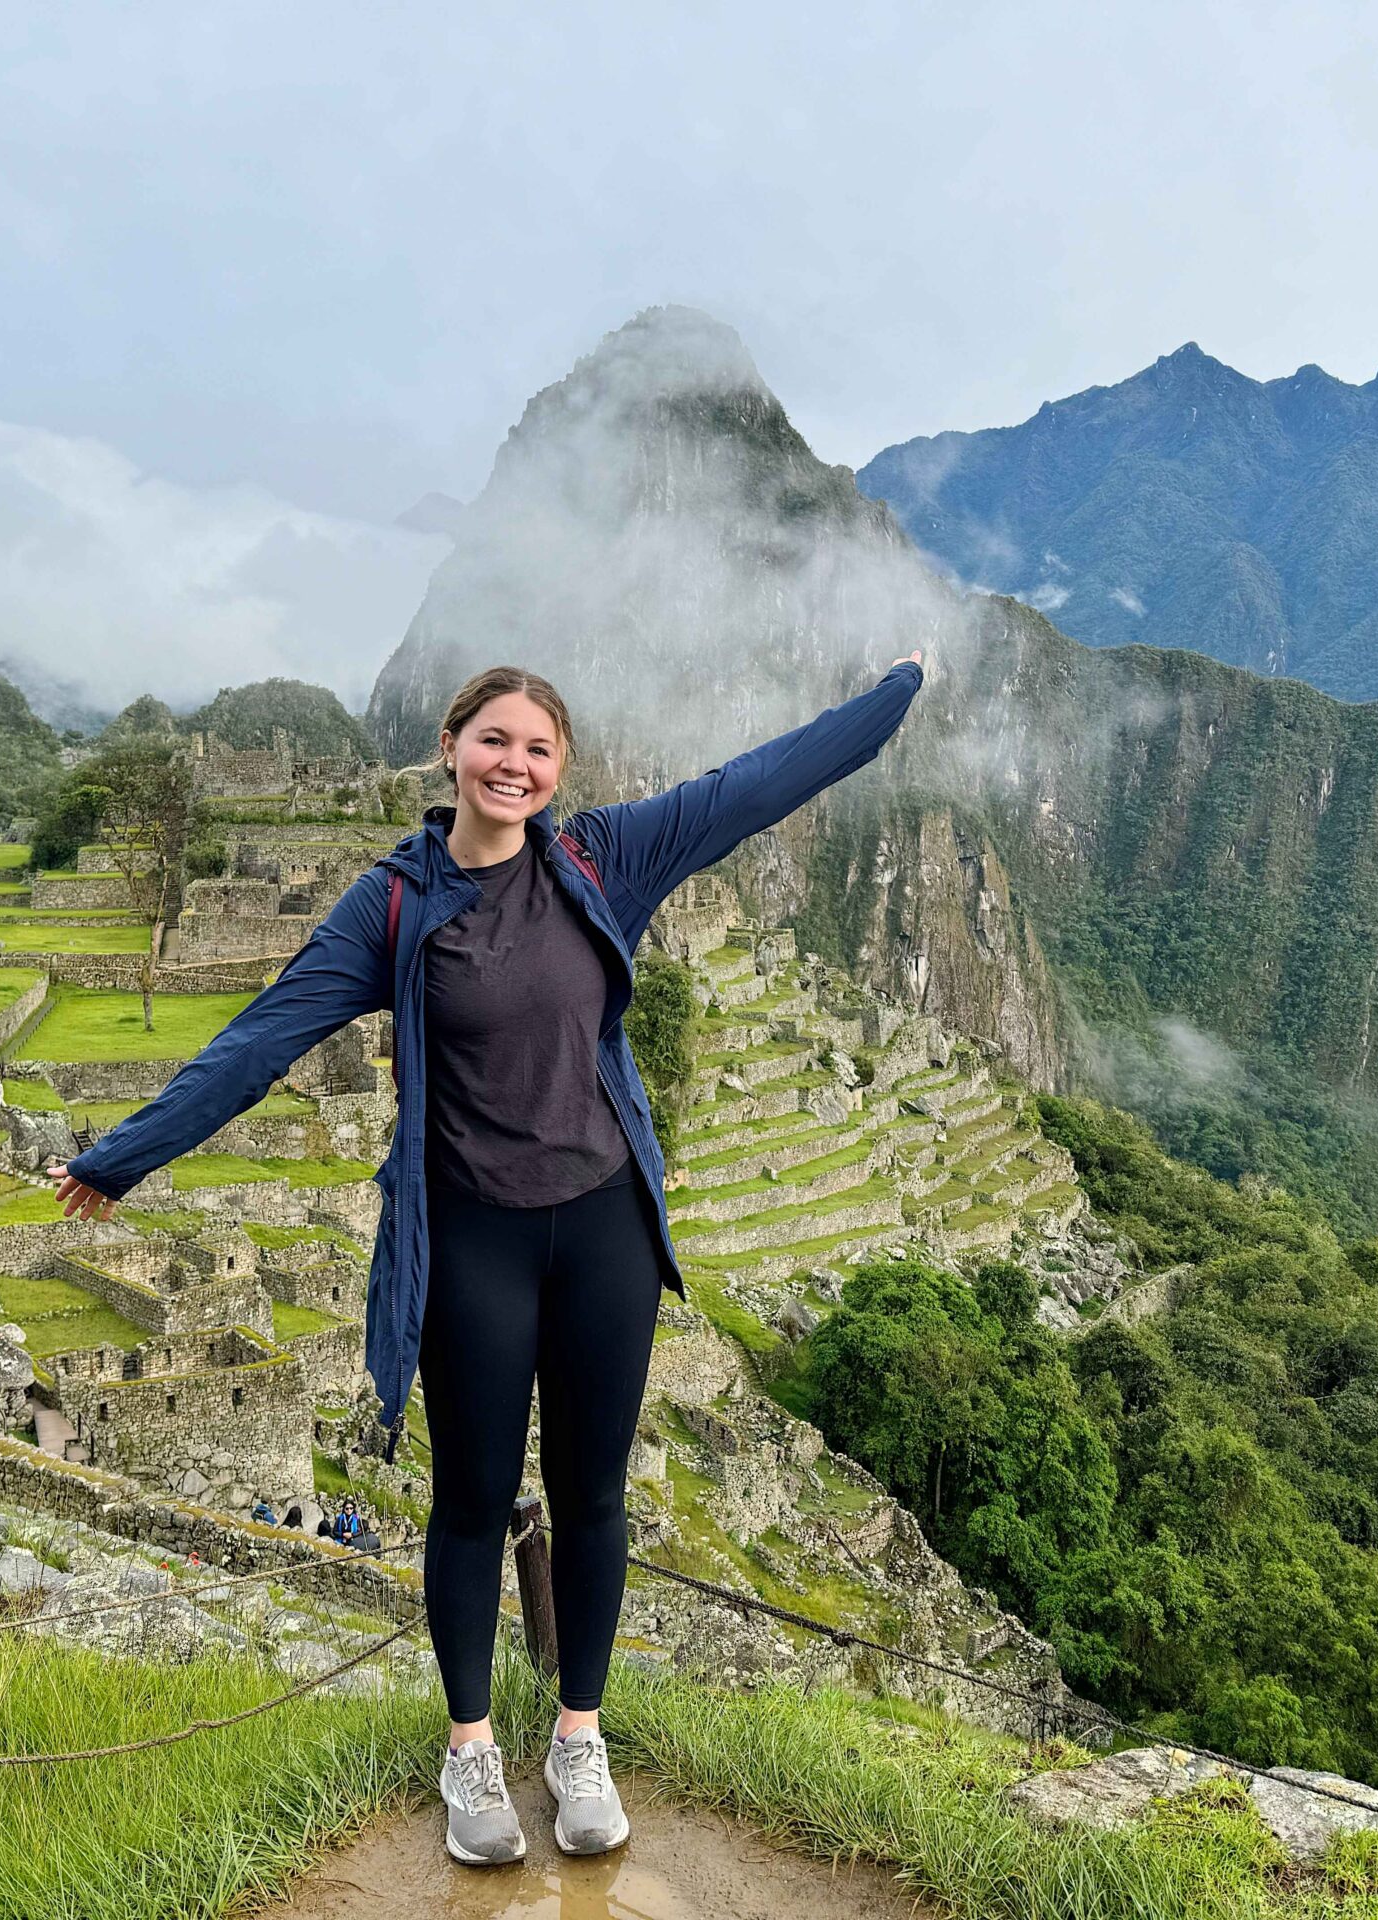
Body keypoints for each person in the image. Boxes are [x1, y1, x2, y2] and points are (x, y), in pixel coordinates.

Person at [50, 650, 927, 1868]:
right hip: (474, 1239)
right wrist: (122, 1157)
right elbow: (260, 1040)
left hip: (604, 1225)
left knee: (593, 1496)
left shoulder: (600, 859)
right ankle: (471, 1752)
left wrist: (894, 697)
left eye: (538, 750)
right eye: (494, 741)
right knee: (469, 1500)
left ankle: (578, 1737)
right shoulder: (393, 908)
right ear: (451, 749)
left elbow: (755, 784)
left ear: (559, 771)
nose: (514, 765)